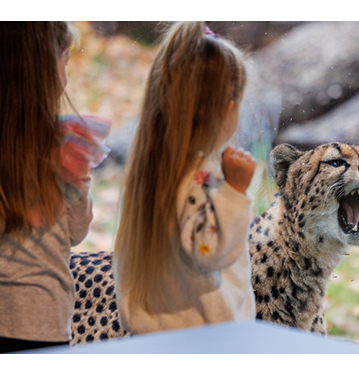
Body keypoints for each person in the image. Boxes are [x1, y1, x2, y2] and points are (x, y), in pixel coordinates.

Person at [113, 21, 256, 334]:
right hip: (201, 338)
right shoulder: (198, 179)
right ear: (228, 108)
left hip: (155, 332)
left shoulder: (152, 171)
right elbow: (209, 251)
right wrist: (234, 190)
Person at [0, 22, 110, 353]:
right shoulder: (65, 147)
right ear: (46, 71)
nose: (67, 75)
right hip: (42, 318)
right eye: (65, 61)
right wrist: (81, 173)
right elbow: (76, 232)